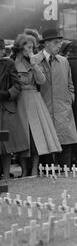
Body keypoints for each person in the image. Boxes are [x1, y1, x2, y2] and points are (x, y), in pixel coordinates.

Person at [12, 34, 62, 177]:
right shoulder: (13, 63)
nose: (31, 50)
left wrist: (34, 65)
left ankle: (34, 168)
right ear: (21, 48)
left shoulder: (35, 62)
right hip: (20, 101)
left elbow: (41, 81)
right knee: (23, 137)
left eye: (33, 47)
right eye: (28, 47)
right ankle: (24, 169)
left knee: (37, 138)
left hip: (35, 100)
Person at [33, 29, 77, 168]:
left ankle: (65, 175)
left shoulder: (64, 61)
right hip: (44, 108)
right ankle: (48, 173)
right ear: (46, 43)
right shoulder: (35, 60)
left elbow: (70, 85)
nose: (59, 46)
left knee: (66, 142)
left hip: (63, 108)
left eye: (60, 43)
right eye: (56, 43)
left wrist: (69, 99)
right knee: (45, 143)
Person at [0, 37, 29, 179]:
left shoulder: (9, 64)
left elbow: (18, 86)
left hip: (5, 108)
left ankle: (5, 174)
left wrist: (6, 94)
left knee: (6, 145)